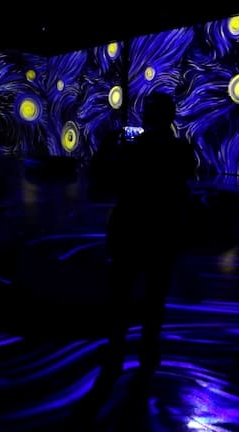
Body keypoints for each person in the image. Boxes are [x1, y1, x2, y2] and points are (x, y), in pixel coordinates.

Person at [103, 91, 197, 377]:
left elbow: (109, 181)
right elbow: (185, 184)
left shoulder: (132, 147)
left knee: (121, 293)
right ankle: (148, 351)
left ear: (146, 116)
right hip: (162, 231)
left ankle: (116, 349)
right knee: (156, 295)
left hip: (130, 229)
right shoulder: (181, 149)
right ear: (171, 116)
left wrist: (110, 147)